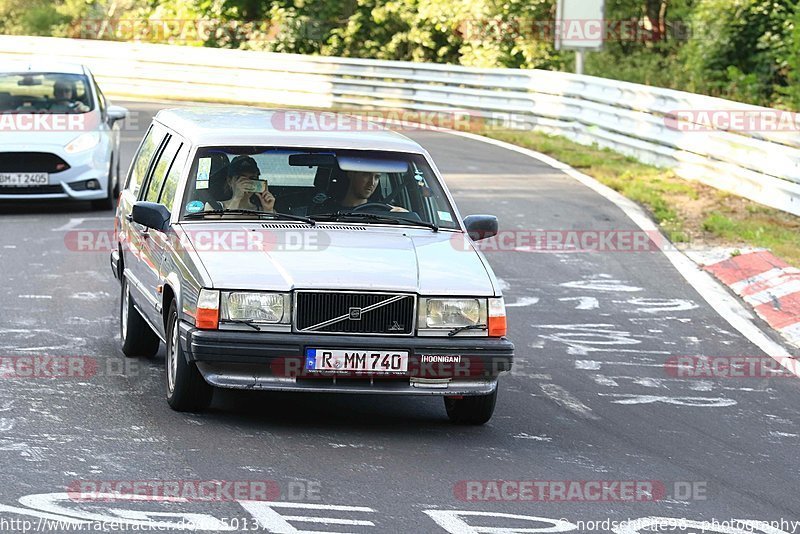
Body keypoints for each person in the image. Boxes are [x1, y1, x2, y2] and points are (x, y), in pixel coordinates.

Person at [332, 170, 406, 212]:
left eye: (377, 177)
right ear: (351, 174)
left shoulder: (383, 213)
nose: (372, 183)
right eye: (366, 175)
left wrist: (405, 215)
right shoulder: (327, 210)